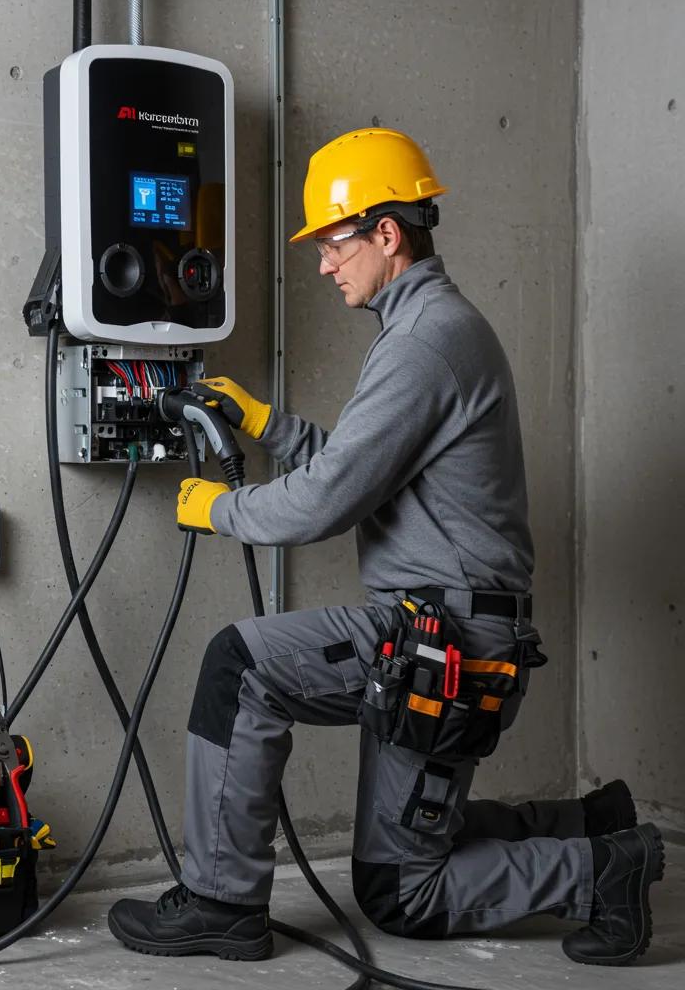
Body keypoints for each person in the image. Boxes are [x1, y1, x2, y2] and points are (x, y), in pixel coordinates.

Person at [107, 128, 664, 966]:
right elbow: (374, 465)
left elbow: (332, 497)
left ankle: (226, 903)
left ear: (387, 233)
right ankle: (588, 827)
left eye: (334, 244)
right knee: (396, 866)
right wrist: (271, 426)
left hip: (444, 644)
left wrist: (219, 508)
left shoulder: (424, 342)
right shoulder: (432, 329)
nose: (327, 265)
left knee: (246, 671)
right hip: (444, 635)